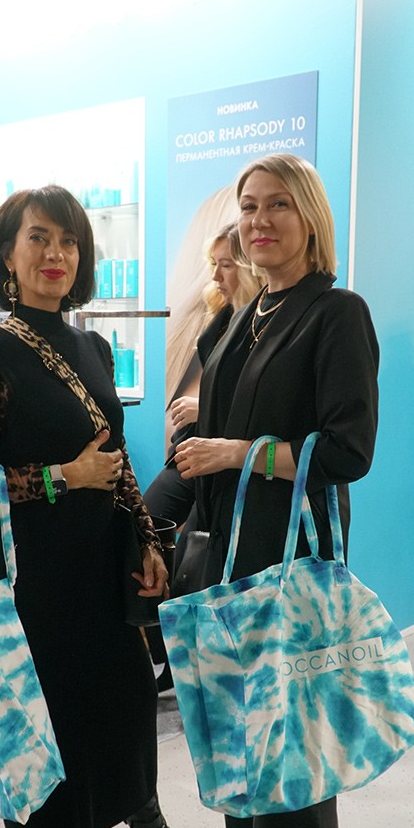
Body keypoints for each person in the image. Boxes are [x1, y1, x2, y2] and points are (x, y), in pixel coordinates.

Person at [0, 184, 218, 828]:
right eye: (39, 238)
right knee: (49, 719)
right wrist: (59, 478)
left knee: (126, 699)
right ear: (7, 255)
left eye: (68, 241)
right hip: (34, 581)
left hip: (102, 565)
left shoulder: (92, 348)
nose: (55, 254)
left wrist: (149, 545)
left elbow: (117, 463)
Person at [174, 154, 379, 828]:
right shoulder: (249, 313)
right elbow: (218, 421)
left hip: (289, 561)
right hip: (230, 558)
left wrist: (235, 451)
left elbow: (347, 450)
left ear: (310, 218)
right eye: (249, 207)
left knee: (297, 753)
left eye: (277, 207)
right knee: (243, 731)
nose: (259, 221)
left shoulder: (336, 313)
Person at [143, 222, 262, 690]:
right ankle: (162, 651)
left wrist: (203, 407)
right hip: (195, 452)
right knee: (145, 528)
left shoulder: (266, 324)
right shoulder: (225, 318)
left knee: (194, 561)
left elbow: (259, 409)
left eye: (225, 265)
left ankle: (177, 661)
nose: (215, 275)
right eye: (213, 264)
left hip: (225, 462)